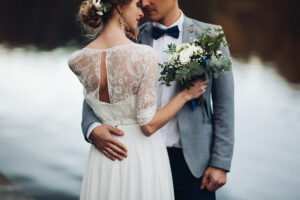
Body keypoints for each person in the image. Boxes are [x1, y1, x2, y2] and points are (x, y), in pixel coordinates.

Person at [82, 0, 235, 199]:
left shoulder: (211, 36)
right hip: (138, 159)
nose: (144, 3)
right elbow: (96, 90)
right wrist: (92, 128)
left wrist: (220, 163)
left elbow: (225, 105)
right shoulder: (130, 35)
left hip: (193, 166)